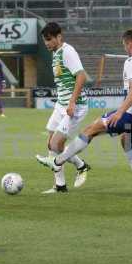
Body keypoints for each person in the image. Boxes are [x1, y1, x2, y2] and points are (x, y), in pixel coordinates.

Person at [36, 29, 132, 194]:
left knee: (90, 129)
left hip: (130, 113)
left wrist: (120, 112)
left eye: (124, 45)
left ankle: (57, 161)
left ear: (129, 43)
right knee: (127, 142)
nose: (124, 48)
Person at [37, 22, 91, 194]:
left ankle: (80, 166)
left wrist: (72, 102)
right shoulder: (56, 53)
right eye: (44, 40)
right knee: (51, 144)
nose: (46, 43)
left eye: (49, 39)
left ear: (59, 37)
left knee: (55, 143)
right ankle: (61, 184)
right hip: (61, 104)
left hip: (74, 106)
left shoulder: (68, 51)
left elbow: (81, 76)